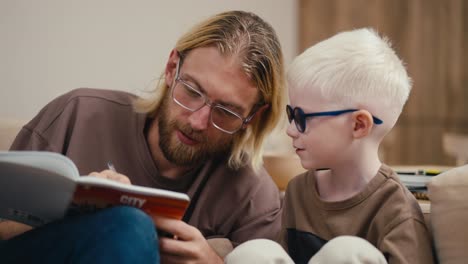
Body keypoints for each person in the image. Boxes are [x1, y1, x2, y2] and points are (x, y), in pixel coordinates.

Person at [0, 10, 286, 263]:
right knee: (130, 225)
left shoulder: (253, 197)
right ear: (172, 68)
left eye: (225, 111)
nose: (198, 122)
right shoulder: (78, 115)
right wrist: (75, 209)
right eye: (193, 91)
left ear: (252, 118)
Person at [225, 28, 434, 264]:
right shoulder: (298, 191)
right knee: (254, 253)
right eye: (291, 114)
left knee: (345, 253)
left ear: (358, 125)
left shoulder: (397, 210)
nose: (290, 129)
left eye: (303, 118)